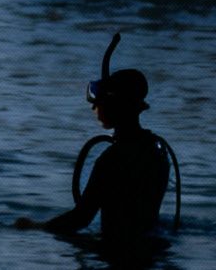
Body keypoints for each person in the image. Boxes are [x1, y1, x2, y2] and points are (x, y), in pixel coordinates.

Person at [17, 33, 179, 249]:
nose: (94, 108)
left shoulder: (112, 159)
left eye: (99, 102)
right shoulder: (158, 149)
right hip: (152, 252)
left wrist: (35, 227)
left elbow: (81, 219)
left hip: (117, 257)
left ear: (115, 105)